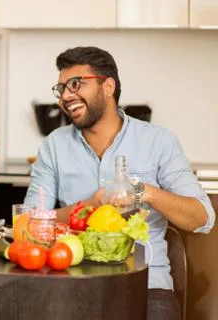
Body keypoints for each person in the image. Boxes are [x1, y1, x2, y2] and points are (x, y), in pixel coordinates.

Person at [24, 46, 215, 319]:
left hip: (148, 288)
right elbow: (30, 224)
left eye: (76, 84)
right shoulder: (53, 146)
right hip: (74, 284)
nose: (66, 96)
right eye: (61, 88)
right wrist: (89, 205)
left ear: (108, 86)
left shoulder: (158, 142)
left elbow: (202, 218)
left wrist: (143, 192)